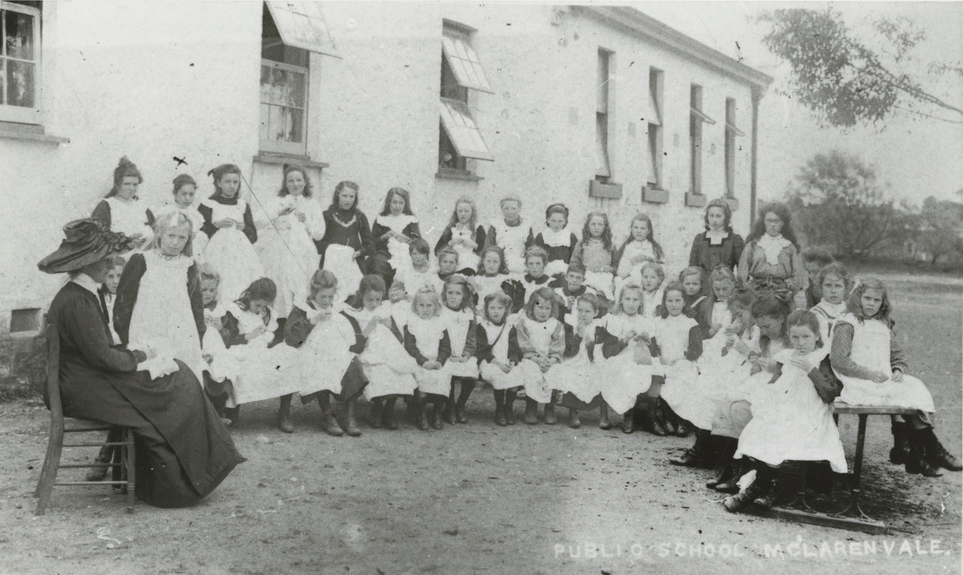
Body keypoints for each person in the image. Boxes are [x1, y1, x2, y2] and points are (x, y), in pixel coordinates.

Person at [38, 218, 244, 508]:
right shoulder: (77, 300)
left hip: (84, 377)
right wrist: (140, 356)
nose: (109, 266)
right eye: (103, 260)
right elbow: (104, 357)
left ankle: (194, 469)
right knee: (175, 382)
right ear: (87, 264)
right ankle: (179, 482)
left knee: (177, 373)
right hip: (81, 385)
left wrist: (136, 355)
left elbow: (99, 351)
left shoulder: (82, 293)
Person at [831, 277, 961, 477]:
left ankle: (914, 451)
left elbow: (897, 354)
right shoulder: (847, 322)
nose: (871, 304)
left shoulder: (882, 325)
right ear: (858, 297)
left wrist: (898, 369)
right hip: (858, 381)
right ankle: (926, 452)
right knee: (904, 396)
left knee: (915, 386)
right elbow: (839, 360)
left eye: (876, 300)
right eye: (867, 298)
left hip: (881, 379)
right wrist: (868, 374)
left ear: (883, 303)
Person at [725, 310, 846, 512]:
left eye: (806, 337)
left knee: (780, 431)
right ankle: (767, 485)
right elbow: (778, 382)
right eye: (795, 337)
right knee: (763, 426)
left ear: (816, 336)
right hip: (787, 408)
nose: (800, 342)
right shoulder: (788, 356)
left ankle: (759, 488)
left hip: (811, 413)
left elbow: (830, 392)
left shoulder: (821, 358)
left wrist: (810, 370)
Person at [708, 294, 790, 493]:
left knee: (741, 410)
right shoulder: (765, 339)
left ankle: (745, 469)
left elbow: (787, 371)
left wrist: (771, 367)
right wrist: (757, 364)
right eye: (761, 327)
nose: (763, 331)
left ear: (781, 318)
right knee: (726, 404)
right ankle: (732, 467)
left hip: (780, 387)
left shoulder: (790, 341)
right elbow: (757, 361)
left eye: (767, 326)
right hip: (762, 383)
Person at [113, 211, 206, 383]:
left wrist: (198, 338)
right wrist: (126, 338)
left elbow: (196, 306)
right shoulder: (142, 260)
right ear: (159, 234)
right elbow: (123, 302)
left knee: (181, 378)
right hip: (145, 331)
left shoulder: (188, 265)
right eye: (171, 235)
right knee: (150, 376)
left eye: (182, 238)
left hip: (181, 333)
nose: (175, 242)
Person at [670, 290, 757, 469]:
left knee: (714, 394)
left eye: (740, 314)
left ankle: (704, 450)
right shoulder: (744, 328)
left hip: (750, 376)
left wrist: (743, 349)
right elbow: (730, 355)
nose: (737, 318)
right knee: (704, 386)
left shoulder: (756, 331)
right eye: (735, 314)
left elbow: (756, 358)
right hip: (737, 370)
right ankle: (704, 449)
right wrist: (730, 346)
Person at [286, 271, 372, 436]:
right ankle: (327, 415)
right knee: (320, 368)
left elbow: (352, 336)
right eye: (322, 297)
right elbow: (291, 338)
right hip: (312, 351)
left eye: (330, 297)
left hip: (336, 350)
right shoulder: (303, 309)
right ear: (313, 293)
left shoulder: (338, 309)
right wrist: (311, 322)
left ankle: (349, 414)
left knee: (353, 365)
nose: (327, 301)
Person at [218, 278, 302, 432]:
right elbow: (227, 339)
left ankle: (284, 413)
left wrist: (269, 340)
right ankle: (232, 410)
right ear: (249, 296)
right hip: (240, 349)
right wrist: (249, 336)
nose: (260, 309)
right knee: (233, 363)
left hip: (261, 351)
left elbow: (274, 337)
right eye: (258, 305)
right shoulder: (235, 310)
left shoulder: (268, 313)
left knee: (289, 355)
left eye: (265, 306)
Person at [343, 275, 418, 434]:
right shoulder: (356, 314)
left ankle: (389, 410)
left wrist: (390, 327)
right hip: (369, 353)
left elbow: (398, 337)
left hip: (390, 352)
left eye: (378, 299)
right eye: (370, 300)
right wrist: (369, 328)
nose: (374, 304)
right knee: (379, 374)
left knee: (398, 373)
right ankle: (376, 408)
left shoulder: (385, 310)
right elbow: (355, 343)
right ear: (361, 295)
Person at [254, 165, 325, 319]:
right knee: (281, 282)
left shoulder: (312, 203)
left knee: (300, 283)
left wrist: (306, 220)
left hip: (303, 250)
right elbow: (258, 221)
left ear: (305, 182)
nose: (295, 184)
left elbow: (319, 233)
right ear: (285, 183)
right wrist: (278, 213)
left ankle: (299, 319)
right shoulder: (278, 201)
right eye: (290, 181)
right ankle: (278, 320)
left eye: (299, 180)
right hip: (280, 249)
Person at [594, 281, 655, 433]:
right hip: (615, 355)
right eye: (627, 299)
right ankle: (604, 414)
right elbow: (607, 350)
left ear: (640, 302)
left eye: (635, 300)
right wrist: (623, 340)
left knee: (634, 372)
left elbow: (652, 350)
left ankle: (629, 415)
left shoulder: (644, 321)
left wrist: (647, 341)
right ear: (621, 300)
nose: (631, 304)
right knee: (608, 368)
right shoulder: (612, 319)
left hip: (636, 358)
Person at [197, 164, 263, 302]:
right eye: (227, 181)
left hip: (241, 255)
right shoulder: (208, 204)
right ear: (219, 183)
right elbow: (200, 234)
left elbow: (253, 237)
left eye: (235, 182)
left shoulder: (242, 205)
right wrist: (216, 225)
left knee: (241, 283)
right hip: (217, 253)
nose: (232, 186)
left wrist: (244, 228)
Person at [652, 281, 702, 437]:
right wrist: (660, 357)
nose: (673, 305)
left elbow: (696, 349)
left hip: (683, 361)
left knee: (684, 379)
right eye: (670, 301)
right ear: (664, 302)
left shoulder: (690, 323)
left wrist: (682, 358)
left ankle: (682, 421)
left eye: (677, 300)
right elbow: (653, 346)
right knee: (664, 381)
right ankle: (667, 419)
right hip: (663, 361)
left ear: (684, 302)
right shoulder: (658, 322)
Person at [738, 202, 806, 304]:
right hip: (756, 293)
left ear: (783, 223)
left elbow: (798, 276)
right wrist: (748, 290)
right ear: (763, 222)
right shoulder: (753, 245)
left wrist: (791, 292)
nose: (772, 224)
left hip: (782, 294)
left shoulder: (789, 247)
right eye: (769, 221)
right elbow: (742, 273)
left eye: (776, 221)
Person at [404, 287, 452, 430]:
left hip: (436, 361)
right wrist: (423, 361)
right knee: (421, 382)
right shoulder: (411, 324)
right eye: (421, 305)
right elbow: (410, 347)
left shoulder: (440, 324)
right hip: (419, 361)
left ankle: (437, 413)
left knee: (442, 378)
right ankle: (422, 414)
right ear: (415, 307)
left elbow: (445, 347)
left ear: (436, 307)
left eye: (429, 305)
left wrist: (440, 361)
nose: (425, 309)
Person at [554, 293, 604, 428]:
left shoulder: (599, 327)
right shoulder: (571, 324)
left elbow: (600, 352)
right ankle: (573, 412)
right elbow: (569, 350)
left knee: (599, 374)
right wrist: (579, 335)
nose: (583, 314)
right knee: (571, 373)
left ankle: (603, 414)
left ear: (595, 313)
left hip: (591, 360)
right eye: (580, 310)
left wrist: (590, 344)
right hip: (574, 359)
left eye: (587, 311)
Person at [516, 287, 566, 425]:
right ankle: (531, 406)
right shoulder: (524, 323)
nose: (543, 312)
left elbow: (558, 344)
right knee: (532, 372)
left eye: (547, 308)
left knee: (555, 371)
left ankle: (549, 407)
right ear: (532, 306)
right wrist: (536, 358)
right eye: (540, 307)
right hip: (531, 358)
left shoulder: (556, 324)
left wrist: (552, 359)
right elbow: (523, 343)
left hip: (549, 358)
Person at [317, 180, 374, 295]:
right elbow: (318, 242)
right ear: (337, 195)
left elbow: (370, 245)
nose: (348, 200)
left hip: (354, 261)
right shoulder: (327, 215)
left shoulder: (359, 216)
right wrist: (333, 251)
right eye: (344, 196)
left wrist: (358, 253)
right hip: (332, 262)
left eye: (351, 196)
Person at [476, 292, 524, 426]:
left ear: (505, 310)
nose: (496, 312)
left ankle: (508, 407)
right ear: (486, 309)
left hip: (507, 360)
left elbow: (514, 348)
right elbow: (482, 349)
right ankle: (500, 408)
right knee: (499, 375)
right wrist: (497, 363)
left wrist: (512, 361)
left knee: (516, 374)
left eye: (500, 308)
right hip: (490, 361)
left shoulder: (509, 326)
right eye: (492, 308)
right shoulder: (482, 326)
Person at [91, 157, 153, 250]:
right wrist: (126, 241)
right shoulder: (106, 206)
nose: (132, 188)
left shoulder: (142, 206)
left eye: (135, 184)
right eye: (127, 184)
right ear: (117, 184)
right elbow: (96, 239)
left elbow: (156, 231)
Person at [369, 187, 421, 288]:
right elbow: (372, 243)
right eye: (394, 202)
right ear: (389, 202)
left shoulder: (410, 219)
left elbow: (419, 242)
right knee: (378, 263)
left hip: (406, 253)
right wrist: (383, 237)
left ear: (405, 204)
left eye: (401, 203)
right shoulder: (381, 219)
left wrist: (407, 240)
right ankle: (380, 295)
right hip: (385, 253)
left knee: (410, 264)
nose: (397, 206)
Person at [152, 174, 206, 257]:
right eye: (183, 194)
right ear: (175, 193)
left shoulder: (195, 215)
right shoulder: (165, 211)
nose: (188, 198)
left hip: (189, 250)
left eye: (191, 194)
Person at [688, 198, 745, 274]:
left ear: (726, 217)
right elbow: (692, 268)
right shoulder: (699, 239)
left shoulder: (735, 239)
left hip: (725, 284)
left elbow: (743, 271)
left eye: (718, 216)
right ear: (707, 217)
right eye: (711, 215)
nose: (714, 219)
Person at [570, 211, 617, 302]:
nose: (596, 227)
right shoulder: (582, 244)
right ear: (588, 226)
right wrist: (584, 269)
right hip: (587, 277)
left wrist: (611, 269)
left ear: (605, 227)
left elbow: (616, 264)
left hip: (604, 277)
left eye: (600, 224)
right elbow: (574, 264)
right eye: (593, 224)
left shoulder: (609, 244)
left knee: (604, 296)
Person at [615, 213, 665, 295]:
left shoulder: (654, 248)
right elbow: (621, 273)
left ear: (648, 231)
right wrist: (632, 261)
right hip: (633, 282)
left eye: (642, 228)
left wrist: (652, 262)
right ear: (631, 229)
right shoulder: (628, 247)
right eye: (636, 227)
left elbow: (663, 268)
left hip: (650, 282)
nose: (638, 231)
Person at [435, 195, 486, 275]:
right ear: (456, 212)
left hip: (469, 260)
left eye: (466, 211)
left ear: (472, 212)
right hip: (452, 261)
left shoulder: (477, 228)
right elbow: (437, 250)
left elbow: (486, 251)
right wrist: (450, 243)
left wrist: (473, 245)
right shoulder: (451, 228)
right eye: (460, 211)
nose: (463, 214)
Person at [485, 194, 534, 276]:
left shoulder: (526, 226)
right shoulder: (496, 225)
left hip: (520, 264)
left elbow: (531, 249)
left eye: (513, 208)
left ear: (519, 209)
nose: (510, 212)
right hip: (500, 264)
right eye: (506, 208)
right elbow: (488, 248)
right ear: (502, 209)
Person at [533, 203, 579, 278]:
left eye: (560, 221)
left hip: (565, 274)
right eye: (553, 221)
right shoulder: (541, 236)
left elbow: (575, 259)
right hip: (545, 274)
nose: (556, 224)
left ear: (565, 221)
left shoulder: (570, 236)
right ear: (548, 220)